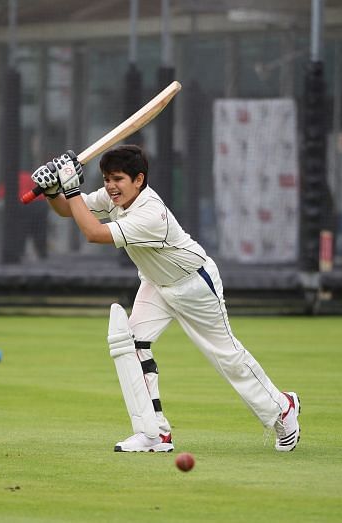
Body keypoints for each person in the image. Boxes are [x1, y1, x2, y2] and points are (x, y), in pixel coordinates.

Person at [30, 144, 300, 453]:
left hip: (194, 284)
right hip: (156, 284)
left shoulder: (151, 214)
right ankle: (153, 433)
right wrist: (55, 192)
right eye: (106, 179)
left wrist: (71, 188)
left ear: (138, 179)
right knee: (129, 345)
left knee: (226, 356)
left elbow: (94, 233)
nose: (110, 187)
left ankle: (283, 407)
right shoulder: (114, 196)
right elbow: (71, 210)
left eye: (117, 179)